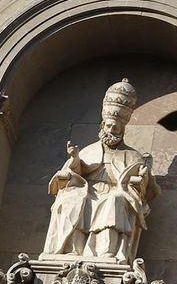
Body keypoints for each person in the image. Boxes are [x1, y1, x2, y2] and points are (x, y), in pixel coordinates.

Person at [42, 78, 159, 262]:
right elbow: (75, 174)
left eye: (116, 127)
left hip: (116, 192)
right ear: (102, 126)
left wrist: (142, 179)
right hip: (86, 191)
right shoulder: (88, 151)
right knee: (69, 198)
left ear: (122, 130)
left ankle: (107, 252)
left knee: (116, 200)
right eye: (109, 126)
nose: (112, 130)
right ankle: (72, 249)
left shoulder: (132, 155)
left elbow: (146, 188)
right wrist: (74, 160)